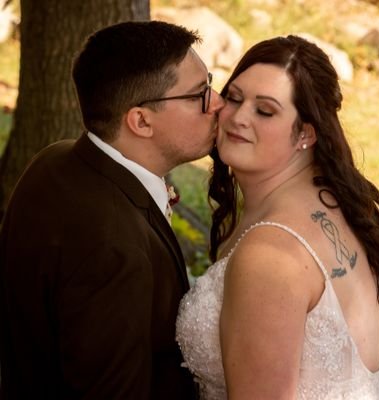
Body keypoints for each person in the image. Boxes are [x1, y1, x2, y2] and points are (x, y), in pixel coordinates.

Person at [0, 20, 223, 399]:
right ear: (140, 121)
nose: (217, 102)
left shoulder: (54, 161)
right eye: (198, 94)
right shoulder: (114, 250)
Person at [176, 35, 379, 399]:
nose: (238, 117)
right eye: (234, 98)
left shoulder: (271, 255)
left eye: (264, 111)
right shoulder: (344, 206)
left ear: (305, 134)